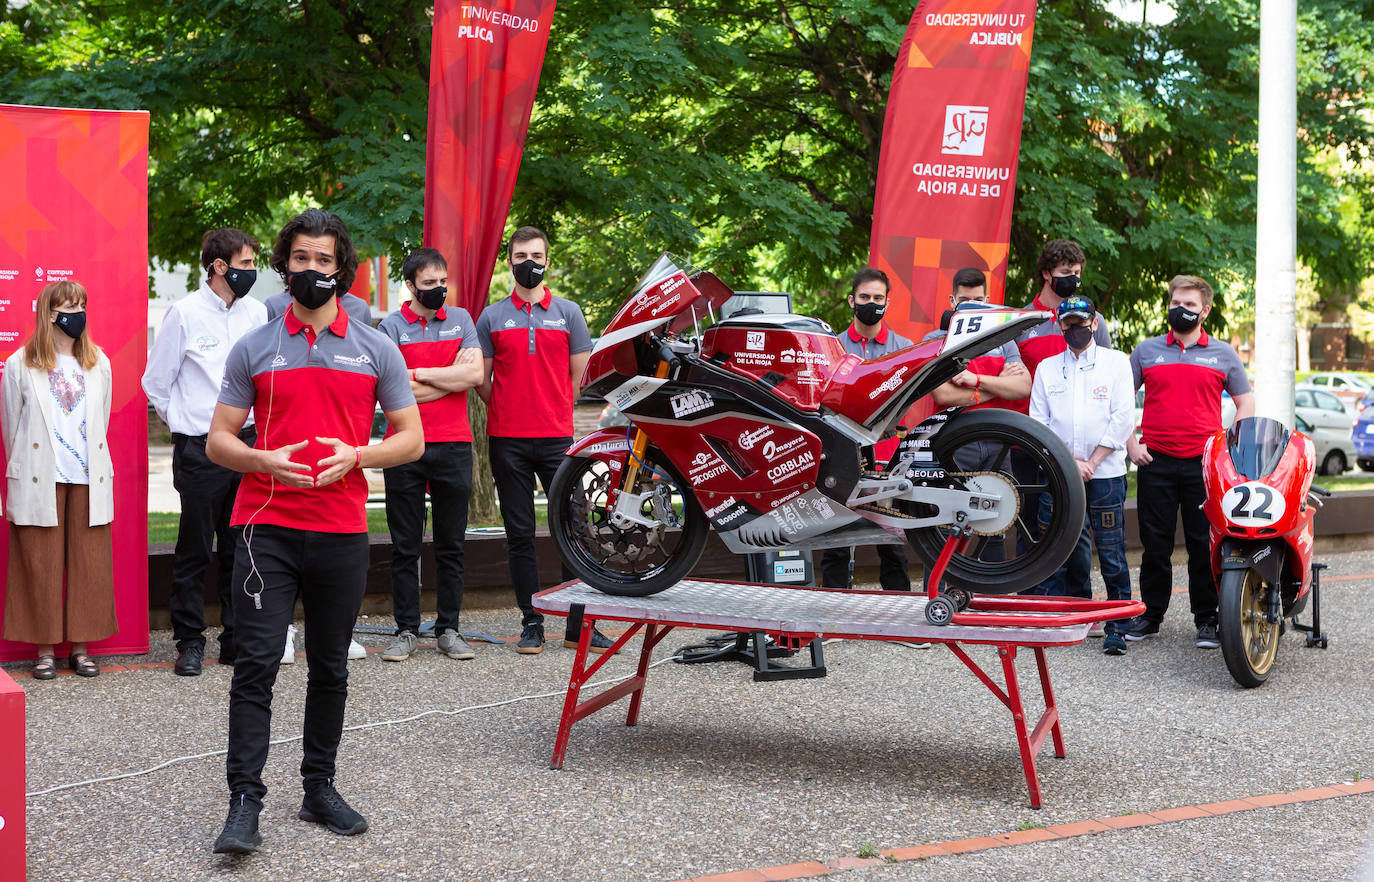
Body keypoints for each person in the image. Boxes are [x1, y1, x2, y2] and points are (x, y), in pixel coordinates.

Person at [207, 209, 423, 854]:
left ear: (341, 269)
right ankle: (244, 802)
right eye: (300, 259)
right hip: (262, 524)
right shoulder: (255, 346)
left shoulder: (377, 347)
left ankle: (318, 788)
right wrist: (258, 458)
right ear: (285, 266)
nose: (311, 270)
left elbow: (410, 439)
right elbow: (218, 440)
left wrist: (358, 454)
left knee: (330, 666)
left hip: (339, 528)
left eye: (323, 260)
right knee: (256, 664)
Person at [475, 225, 608, 654]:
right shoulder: (492, 317)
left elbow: (579, 376)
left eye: (536, 255)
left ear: (547, 260)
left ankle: (579, 623)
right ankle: (531, 621)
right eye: (520, 256)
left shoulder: (569, 312)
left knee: (575, 528)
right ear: (508, 261)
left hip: (557, 440)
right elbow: (482, 379)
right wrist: (509, 406)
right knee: (519, 533)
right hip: (507, 439)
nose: (528, 263)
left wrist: (554, 410)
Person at [143, 228, 268, 676]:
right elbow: (156, 382)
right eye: (247, 264)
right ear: (219, 266)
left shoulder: (257, 313)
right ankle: (190, 641)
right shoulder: (184, 313)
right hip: (199, 450)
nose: (253, 272)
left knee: (242, 546)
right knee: (195, 548)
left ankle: (236, 638)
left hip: (248, 444)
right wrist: (187, 425)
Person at [1125, 275, 1253, 648]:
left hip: (1203, 466)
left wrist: (1230, 447)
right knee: (1155, 545)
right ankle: (1150, 616)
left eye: (1191, 305)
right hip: (1155, 463)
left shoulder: (1224, 354)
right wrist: (1130, 444)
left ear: (1206, 311)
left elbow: (1245, 402)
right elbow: (1119, 401)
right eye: (1176, 302)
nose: (1181, 310)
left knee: (1204, 544)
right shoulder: (1146, 351)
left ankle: (1208, 620)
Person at [2, 280, 116, 680]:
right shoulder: (20, 364)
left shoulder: (98, 362)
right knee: (39, 563)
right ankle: (45, 650)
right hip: (40, 478)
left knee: (89, 564)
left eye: (82, 304)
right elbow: (12, 428)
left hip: (88, 478)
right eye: (69, 305)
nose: (77, 313)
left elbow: (101, 421)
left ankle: (81, 648)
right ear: (48, 312)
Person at [376, 248, 482, 662]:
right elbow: (390, 389)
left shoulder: (461, 321)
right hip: (403, 444)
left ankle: (448, 629)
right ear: (410, 285)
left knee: (451, 543)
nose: (439, 290)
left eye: (443, 282)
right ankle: (405, 630)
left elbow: (474, 375)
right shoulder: (389, 328)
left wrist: (416, 374)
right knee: (405, 544)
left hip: (454, 445)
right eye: (430, 283)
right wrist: (447, 379)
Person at [1028, 296, 1135, 655]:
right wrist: (1072, 463)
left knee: (1112, 553)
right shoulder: (1046, 368)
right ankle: (1053, 623)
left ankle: (1117, 625)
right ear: (1059, 325)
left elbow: (1123, 417)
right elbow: (1038, 423)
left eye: (1082, 322)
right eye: (1068, 323)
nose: (1075, 328)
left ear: (1094, 323)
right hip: (1060, 475)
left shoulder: (1116, 363)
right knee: (1053, 548)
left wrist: (1093, 460)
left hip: (1105, 475)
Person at [819, 268, 914, 591]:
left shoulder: (905, 347)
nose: (870, 303)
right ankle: (832, 619)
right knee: (835, 540)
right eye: (864, 298)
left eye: (877, 298)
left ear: (888, 302)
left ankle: (900, 615)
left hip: (886, 458)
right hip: (840, 455)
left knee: (891, 540)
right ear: (851, 300)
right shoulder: (832, 347)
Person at [1010, 239, 1112, 410]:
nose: (1072, 278)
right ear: (1046, 273)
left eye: (1077, 272)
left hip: (1078, 423)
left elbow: (1105, 374)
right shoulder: (1019, 322)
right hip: (1030, 425)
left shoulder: (1094, 321)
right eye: (1065, 272)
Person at [923, 267, 1030, 410]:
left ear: (987, 300)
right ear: (952, 301)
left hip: (996, 428)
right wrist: (1000, 385)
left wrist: (976, 380)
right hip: (953, 429)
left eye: (978, 300)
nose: (972, 306)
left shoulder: (1003, 338)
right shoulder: (934, 340)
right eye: (964, 300)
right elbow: (943, 395)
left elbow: (1024, 386)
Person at [264, 275, 373, 325]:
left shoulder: (359, 308)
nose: (312, 268)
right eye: (301, 258)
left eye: (324, 260)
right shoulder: (274, 306)